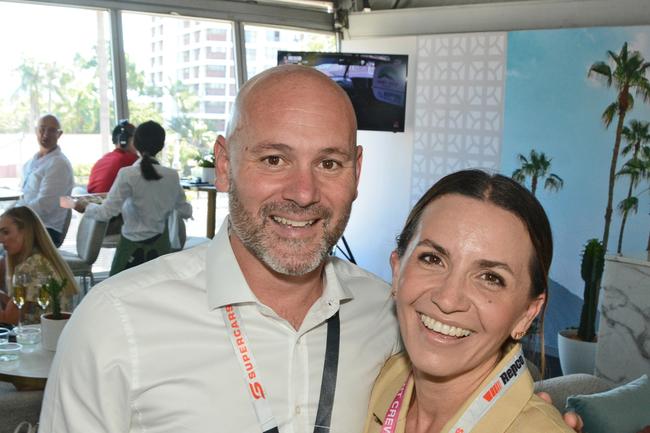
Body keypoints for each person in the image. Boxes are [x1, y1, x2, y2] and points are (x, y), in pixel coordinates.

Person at [39, 66, 581, 433]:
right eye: (274, 159)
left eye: (328, 163)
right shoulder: (116, 326)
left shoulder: (392, 316)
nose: (303, 194)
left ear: (356, 172)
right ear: (225, 165)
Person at [363, 169, 574, 433]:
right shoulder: (382, 379)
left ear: (527, 314)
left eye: (490, 277)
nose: (448, 300)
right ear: (397, 270)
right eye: (432, 259)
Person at [72, 120, 192, 276]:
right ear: (161, 146)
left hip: (130, 250)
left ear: (135, 143)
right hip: (160, 250)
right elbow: (185, 211)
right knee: (157, 295)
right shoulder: (172, 176)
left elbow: (106, 213)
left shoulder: (127, 174)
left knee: (117, 293)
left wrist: (85, 207)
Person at [0, 206, 78, 325]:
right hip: (57, 332)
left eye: (6, 232)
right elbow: (20, 304)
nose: (1, 239)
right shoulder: (41, 259)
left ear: (24, 231)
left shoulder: (29, 267)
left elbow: (10, 318)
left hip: (38, 337)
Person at [15, 114, 74, 247]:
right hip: (28, 224)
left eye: (52, 130)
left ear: (59, 134)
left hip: (45, 231)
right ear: (36, 131)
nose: (46, 135)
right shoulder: (30, 163)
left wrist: (14, 218)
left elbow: (44, 205)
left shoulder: (59, 164)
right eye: (42, 129)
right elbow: (24, 198)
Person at [86, 120, 138, 194]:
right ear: (125, 141)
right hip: (112, 203)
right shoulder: (131, 160)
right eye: (136, 139)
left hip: (94, 201)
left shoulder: (104, 158)